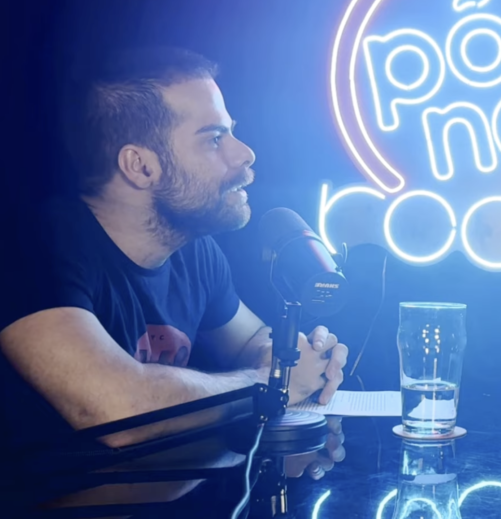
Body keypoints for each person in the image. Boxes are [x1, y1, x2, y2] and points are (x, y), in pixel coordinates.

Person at [0, 48, 348, 506]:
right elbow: (116, 411)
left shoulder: (193, 252)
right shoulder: (35, 246)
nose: (245, 154)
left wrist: (294, 354)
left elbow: (250, 341)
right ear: (140, 166)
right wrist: (273, 383)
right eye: (214, 139)